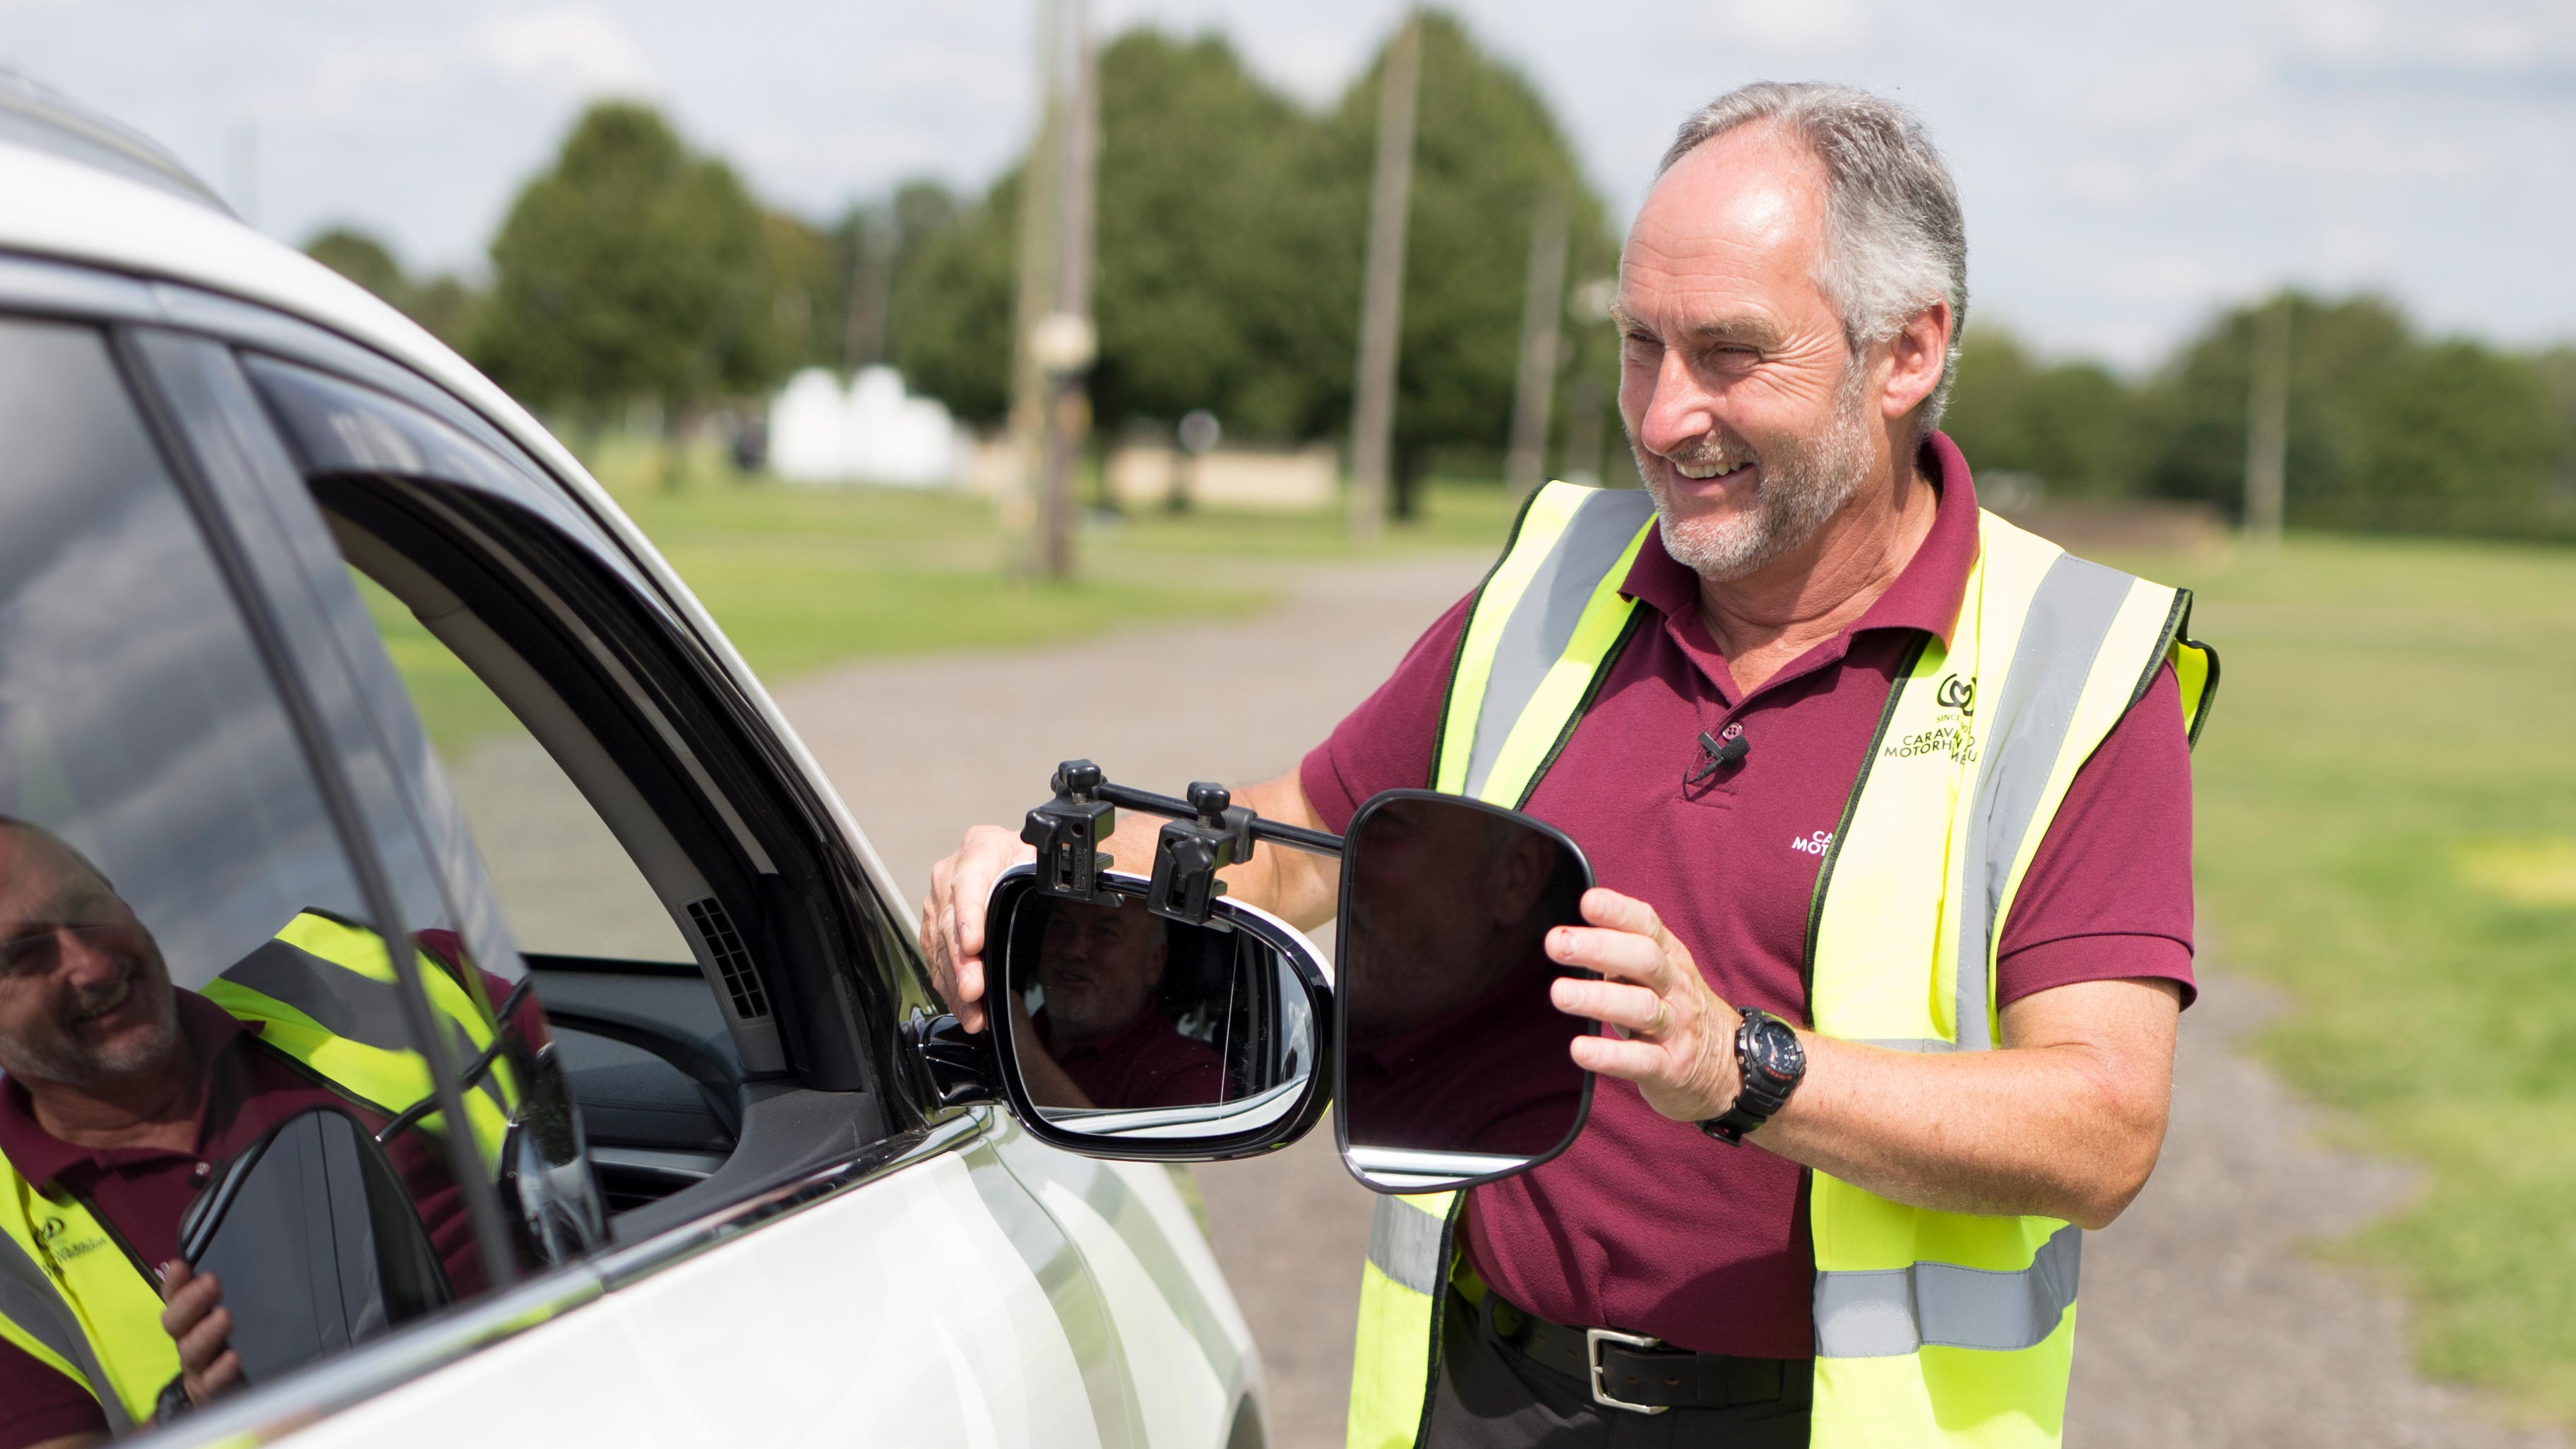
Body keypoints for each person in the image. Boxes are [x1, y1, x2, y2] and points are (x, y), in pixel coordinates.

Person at [924, 80, 2214, 1449]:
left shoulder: (2069, 666)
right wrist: (1062, 879)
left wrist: (1739, 1065)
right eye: (1639, 347)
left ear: (1906, 353)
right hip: (1488, 1398)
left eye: (1729, 354)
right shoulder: (1555, 579)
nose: (1663, 418)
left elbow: (2101, 1128)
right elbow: (1304, 837)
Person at [0, 818, 541, 1449]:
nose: (91, 963)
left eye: (89, 911)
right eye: (25, 955)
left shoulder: (372, 977)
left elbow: (577, 1096)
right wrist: (192, 1412)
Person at [1008, 895, 1224, 1111]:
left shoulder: (1193, 1072)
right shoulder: (992, 1028)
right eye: (1061, 924)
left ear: (1153, 962)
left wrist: (1025, 1057)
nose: (1073, 950)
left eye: (1104, 932)